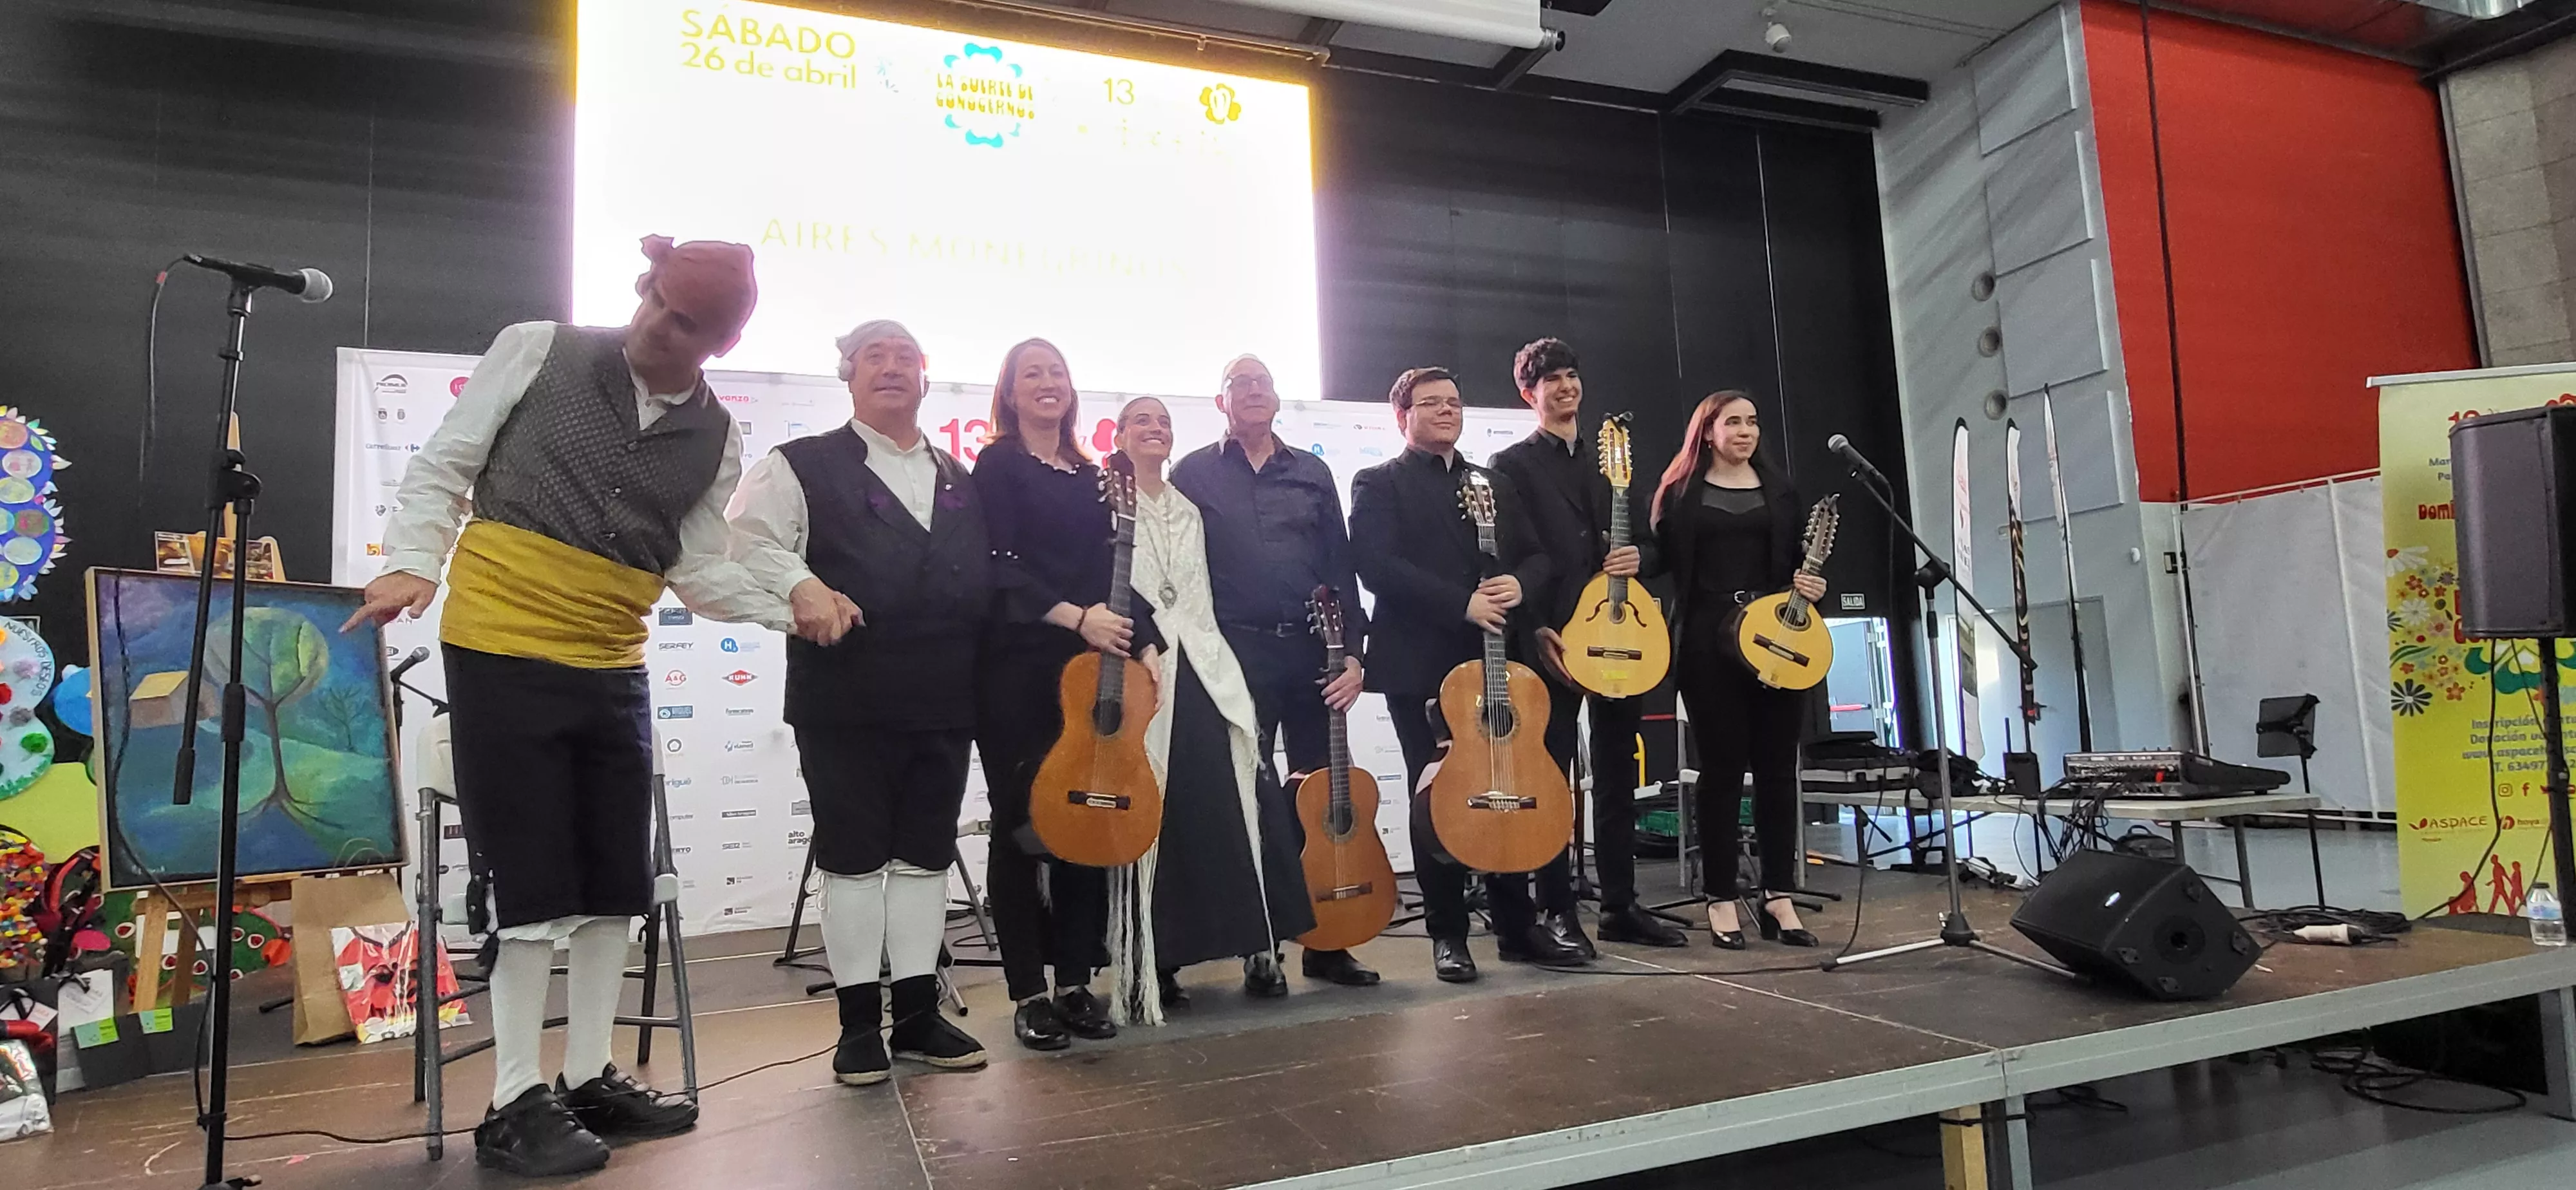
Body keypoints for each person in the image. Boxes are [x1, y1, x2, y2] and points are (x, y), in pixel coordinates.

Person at [345, 237, 857, 1177]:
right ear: (645, 288)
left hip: (612, 658)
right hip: (502, 642)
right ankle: (511, 1099)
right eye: (657, 303)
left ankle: (587, 1075)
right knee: (534, 883)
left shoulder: (716, 434)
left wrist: (791, 600)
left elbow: (698, 570)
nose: (658, 327)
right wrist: (413, 559)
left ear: (726, 338)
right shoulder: (540, 348)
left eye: (687, 323)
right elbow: (445, 466)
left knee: (613, 885)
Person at [725, 319, 990, 1086]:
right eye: (875, 356)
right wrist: (800, 588)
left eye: (907, 356)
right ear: (847, 376)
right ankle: (856, 1026)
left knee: (922, 863)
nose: (892, 368)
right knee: (852, 864)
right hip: (844, 698)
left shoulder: (958, 477)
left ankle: (914, 1016)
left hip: (944, 697)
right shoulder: (796, 466)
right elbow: (741, 544)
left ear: (926, 378)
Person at [1348, 367, 1586, 983]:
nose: (1447, 411)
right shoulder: (1379, 483)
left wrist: (1518, 584)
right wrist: (1462, 601)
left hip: (1498, 664)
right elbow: (1376, 566)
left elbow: (1539, 556)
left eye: (1455, 401)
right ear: (1402, 416)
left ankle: (1517, 929)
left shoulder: (1493, 483)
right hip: (1421, 665)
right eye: (1431, 404)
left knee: (1506, 788)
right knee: (1436, 802)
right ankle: (1448, 934)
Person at [1104, 397, 1318, 1023]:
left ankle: (1261, 945)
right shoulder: (1104, 501)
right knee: (1157, 813)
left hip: (1206, 666)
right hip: (1142, 672)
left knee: (1245, 798)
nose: (1155, 429)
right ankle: (1158, 958)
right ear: (1117, 436)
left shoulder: (1187, 508)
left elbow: (1197, 595)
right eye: (1141, 420)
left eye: (1164, 422)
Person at [1168, 354, 1379, 990]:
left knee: (1320, 797)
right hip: (1234, 659)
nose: (1253, 392)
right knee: (1242, 799)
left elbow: (1339, 568)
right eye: (1240, 384)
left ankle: (1326, 942)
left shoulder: (1312, 472)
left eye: (1263, 383)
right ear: (1219, 402)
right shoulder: (1192, 474)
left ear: (1278, 400)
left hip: (1316, 656)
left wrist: (1354, 655)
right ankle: (1255, 947)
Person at [972, 337, 1157, 1050]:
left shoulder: (1093, 474)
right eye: (1031, 374)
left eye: (1057, 373)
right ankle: (1026, 990)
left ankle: (1076, 980)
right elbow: (997, 568)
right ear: (1010, 392)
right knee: (1022, 828)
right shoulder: (999, 463)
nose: (1047, 384)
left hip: (1093, 672)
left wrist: (1146, 644)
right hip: (1019, 668)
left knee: (1088, 821)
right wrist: (1078, 617)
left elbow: (1111, 567)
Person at [1490, 338, 1688, 951]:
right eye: (1551, 380)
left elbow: (1658, 547)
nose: (1566, 387)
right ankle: (1556, 910)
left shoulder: (1614, 459)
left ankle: (1621, 906)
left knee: (1617, 779)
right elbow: (1513, 559)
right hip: (1554, 640)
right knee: (1551, 779)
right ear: (1530, 394)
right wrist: (1532, 632)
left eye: (1572, 375)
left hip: (1620, 636)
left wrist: (1641, 557)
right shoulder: (1509, 465)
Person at [1649, 392, 1823, 949]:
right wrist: (1617, 553)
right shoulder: (1680, 493)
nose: (1746, 430)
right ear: (1708, 431)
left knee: (1777, 769)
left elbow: (1806, 560)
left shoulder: (1783, 491)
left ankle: (1778, 895)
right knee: (1722, 772)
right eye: (1734, 421)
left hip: (1776, 635)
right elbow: (1659, 558)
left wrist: (1816, 584)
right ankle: (1720, 897)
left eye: (1753, 421)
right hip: (1707, 640)